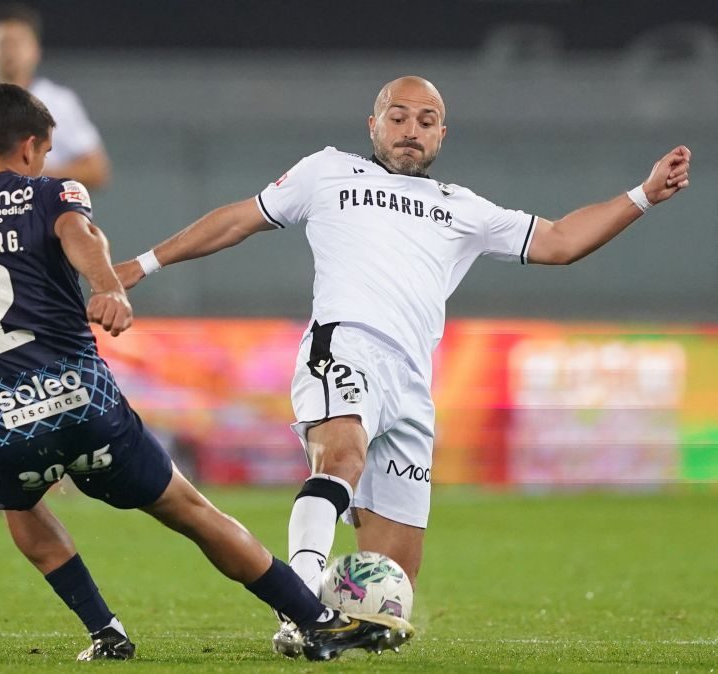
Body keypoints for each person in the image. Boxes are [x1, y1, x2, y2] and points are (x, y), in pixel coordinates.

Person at [0, 83, 412, 662]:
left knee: (25, 516)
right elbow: (80, 234)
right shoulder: (52, 193)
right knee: (192, 512)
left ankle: (104, 629)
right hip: (80, 403)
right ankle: (313, 619)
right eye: (46, 149)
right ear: (30, 147)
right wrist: (109, 287)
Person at [114, 75, 691, 655]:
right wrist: (143, 264)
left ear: (442, 133)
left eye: (425, 120)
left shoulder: (463, 209)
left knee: (388, 592)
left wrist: (643, 195)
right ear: (374, 125)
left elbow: (561, 241)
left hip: (413, 383)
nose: (410, 130)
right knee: (340, 453)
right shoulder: (327, 171)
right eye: (398, 117)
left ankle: (327, 634)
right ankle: (300, 609)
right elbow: (240, 217)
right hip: (346, 346)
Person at [0, 3, 110, 188]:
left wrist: (35, 176)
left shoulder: (58, 101)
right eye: (1, 44)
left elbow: (96, 170)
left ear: (35, 50)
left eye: (16, 43)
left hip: (41, 214)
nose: (9, 52)